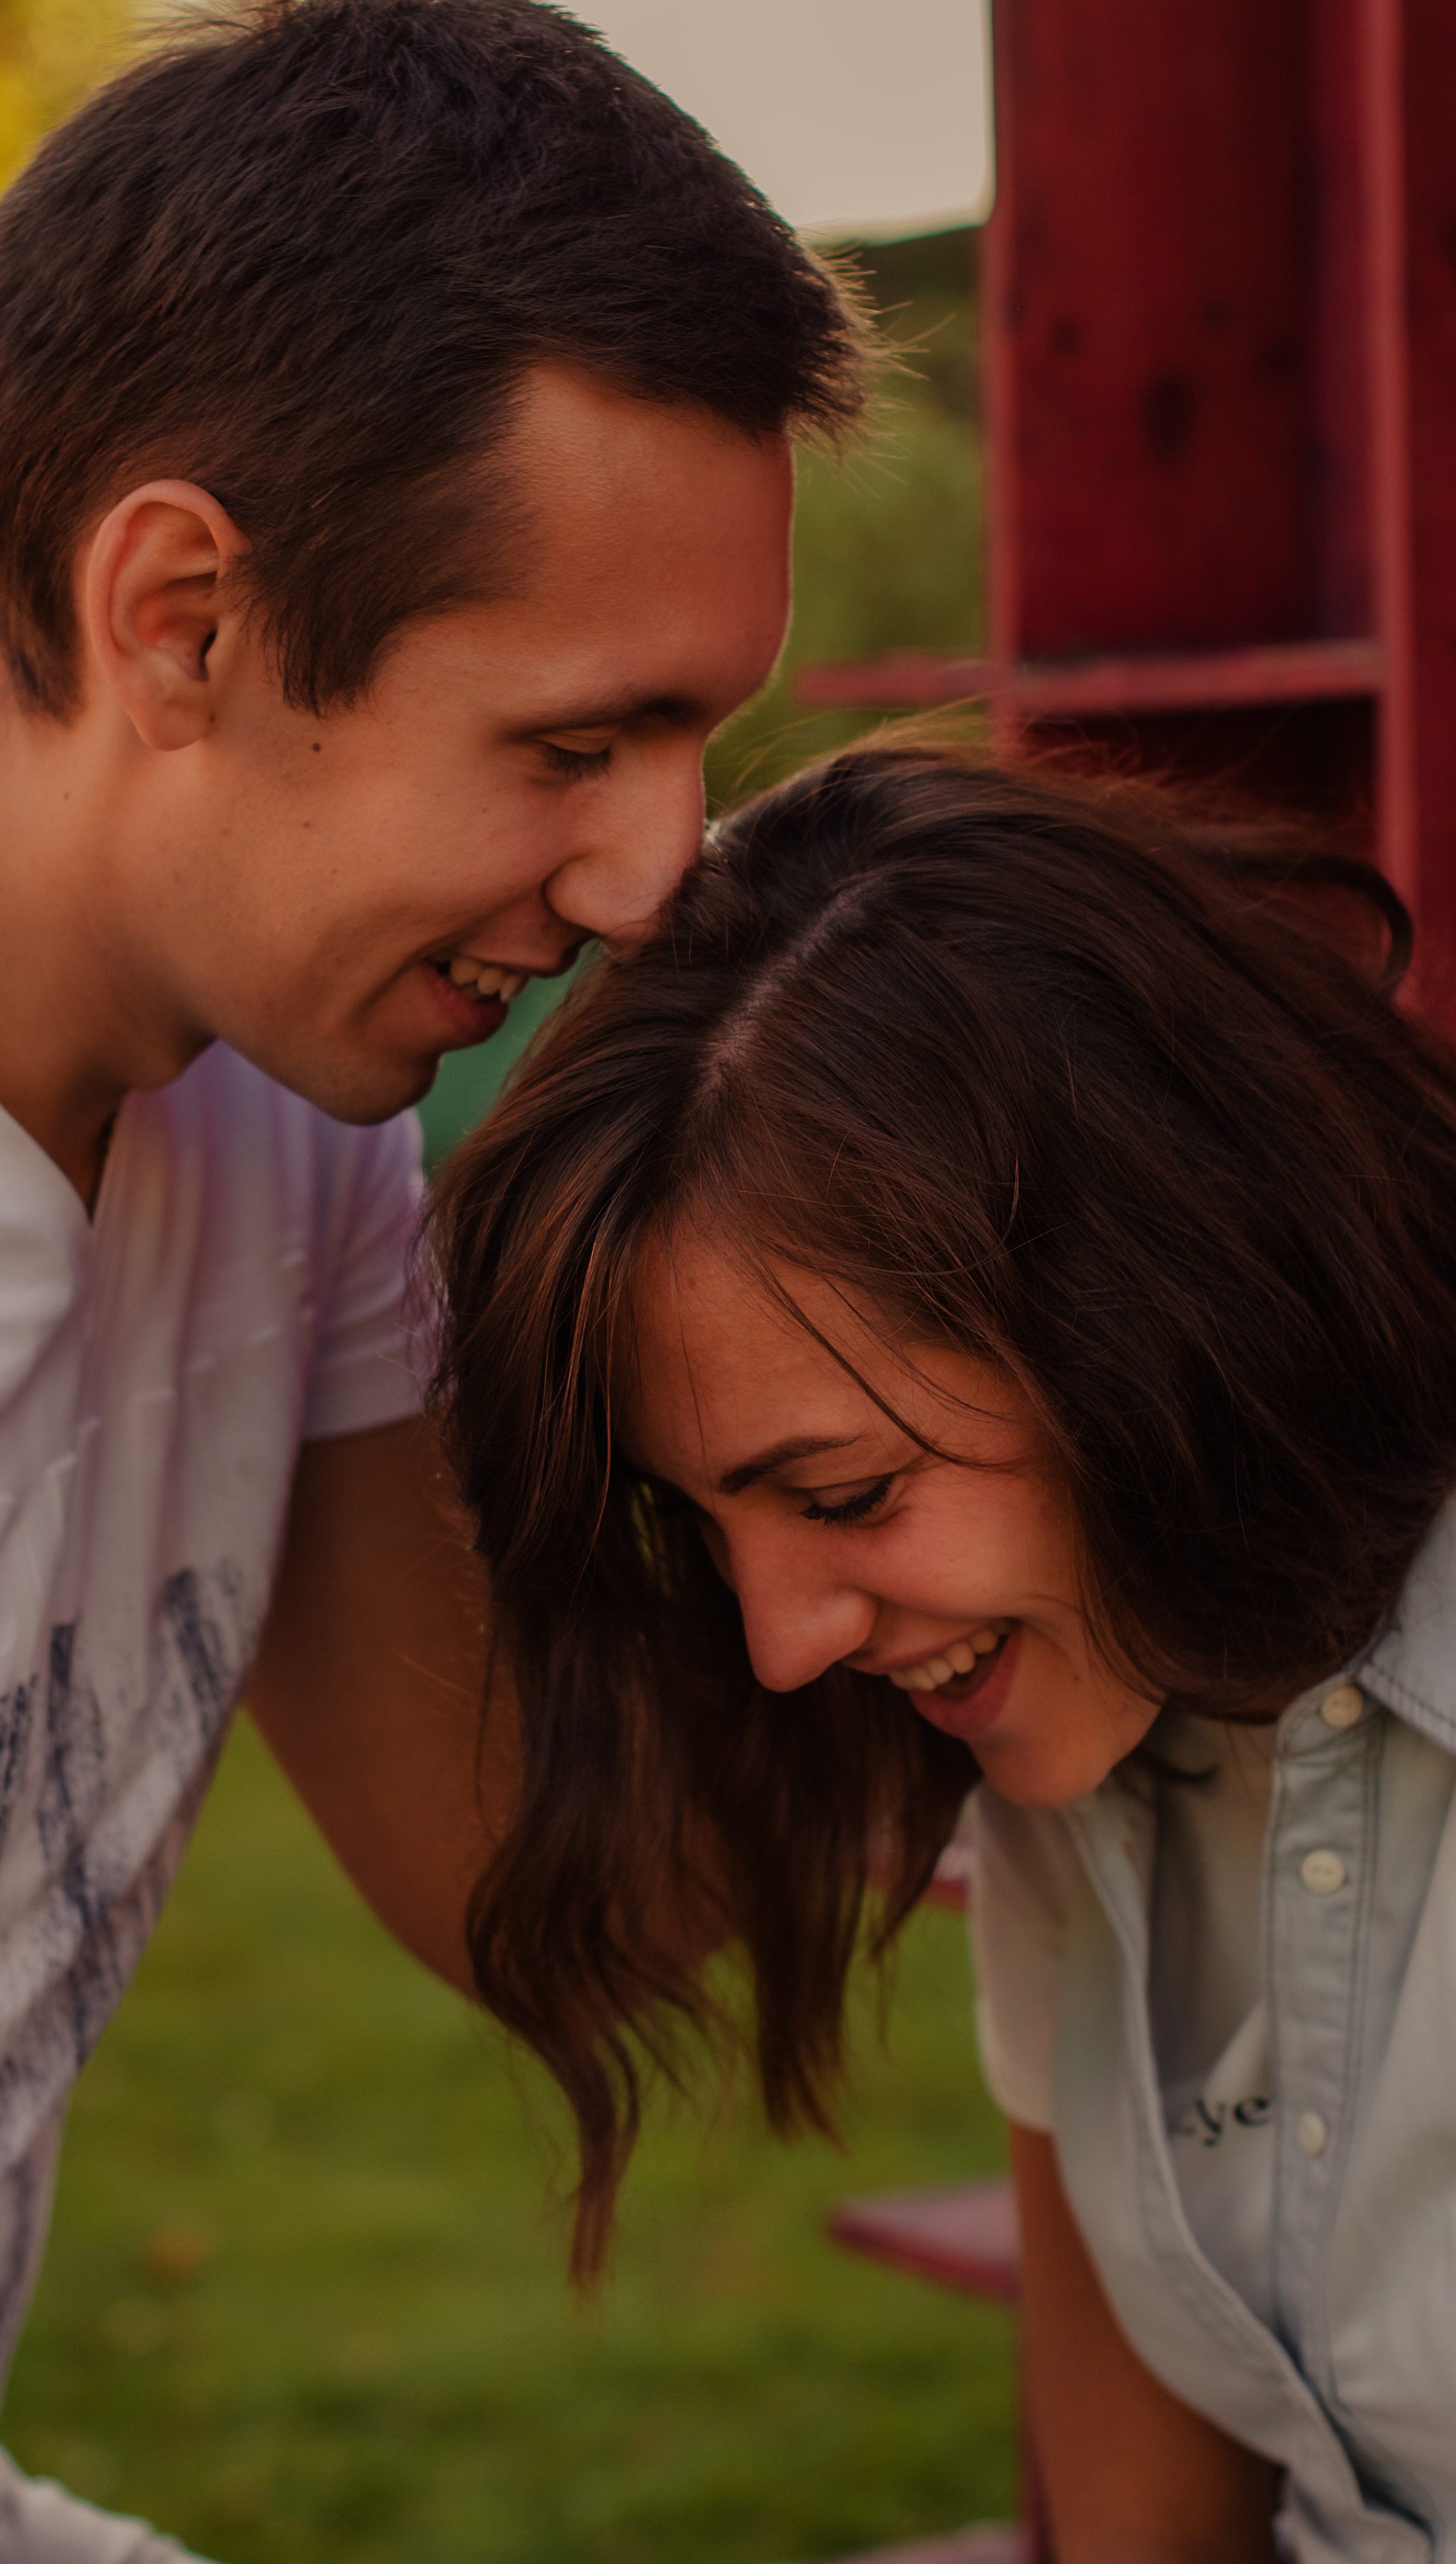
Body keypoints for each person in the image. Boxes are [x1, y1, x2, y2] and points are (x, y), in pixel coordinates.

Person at [0, 0, 867, 2556]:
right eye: (577, 745)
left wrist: (947, 1478)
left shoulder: (281, 1122)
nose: (651, 877)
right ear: (181, 617)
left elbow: (540, 1877)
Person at [430, 743, 1456, 2563]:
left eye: (846, 1491)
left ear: (1153, 1305)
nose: (781, 1644)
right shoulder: (1086, 1726)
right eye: (711, 1524)